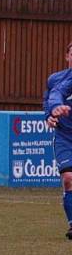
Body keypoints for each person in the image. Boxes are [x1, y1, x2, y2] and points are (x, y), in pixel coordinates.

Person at [43, 41, 72, 239]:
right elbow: (53, 96)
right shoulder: (57, 80)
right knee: (69, 179)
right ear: (67, 56)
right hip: (65, 137)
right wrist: (51, 113)